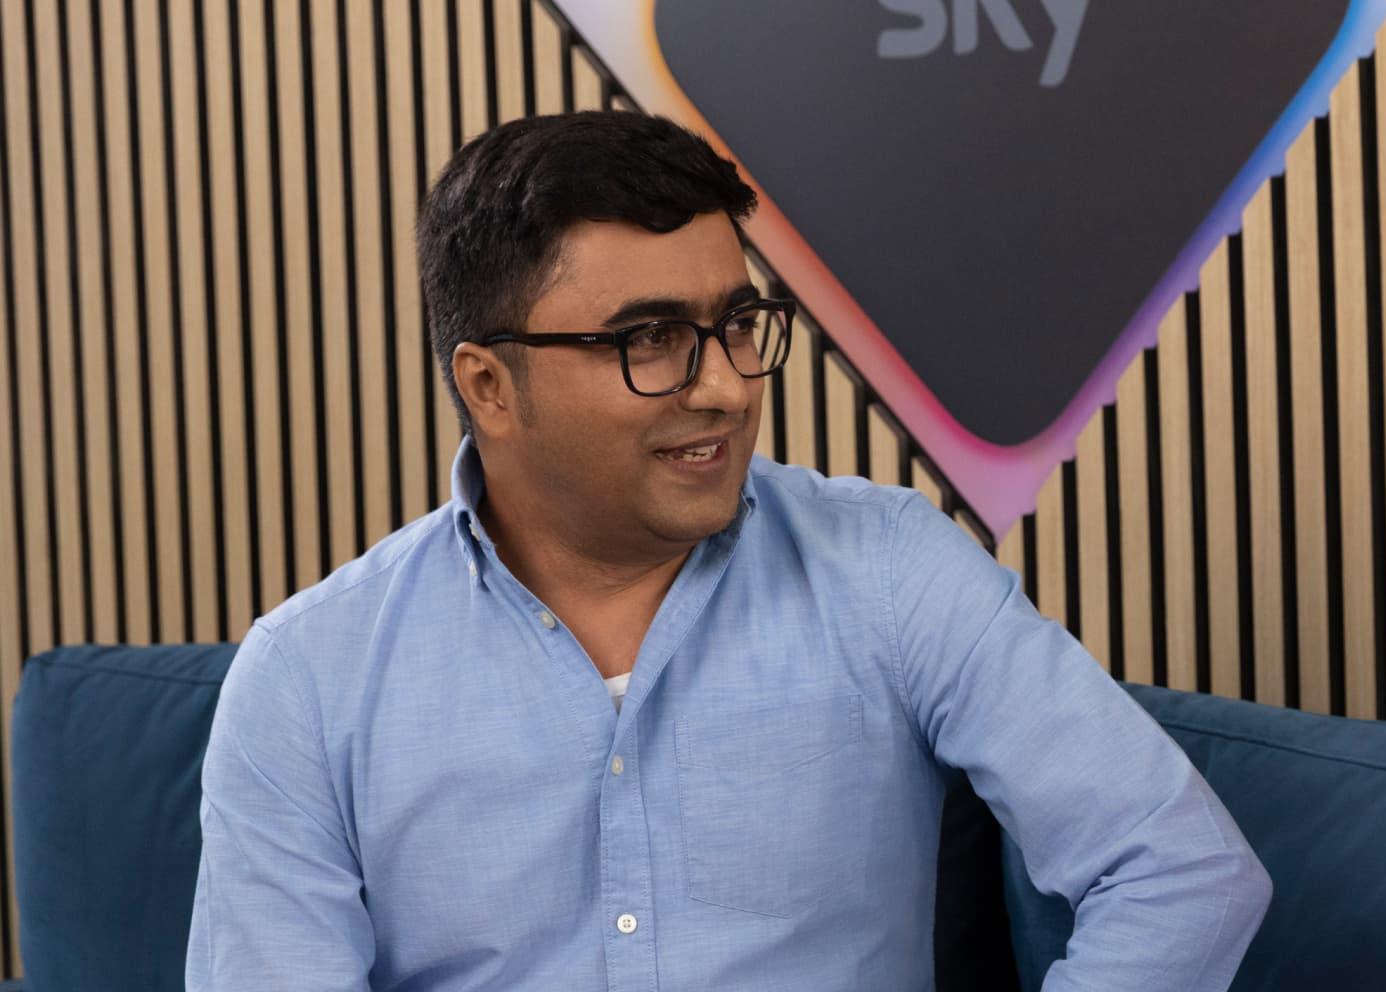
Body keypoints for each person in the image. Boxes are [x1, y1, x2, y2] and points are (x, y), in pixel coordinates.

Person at [186, 110, 1270, 991]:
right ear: (487, 386)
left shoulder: (889, 566)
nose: (722, 383)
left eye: (737, 322)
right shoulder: (305, 678)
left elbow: (1182, 870)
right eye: (648, 338)